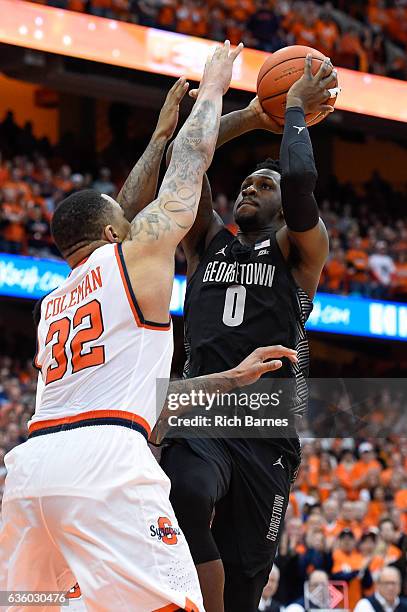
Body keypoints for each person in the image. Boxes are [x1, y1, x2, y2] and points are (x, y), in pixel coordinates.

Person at [0, 41, 243, 612]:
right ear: (116, 234)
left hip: (32, 473)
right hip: (104, 464)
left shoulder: (53, 300)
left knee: (34, 605)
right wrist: (212, 89)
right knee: (173, 605)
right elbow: (192, 163)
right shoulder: (135, 255)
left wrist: (157, 137)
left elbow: (123, 211)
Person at [118, 53, 337, 611]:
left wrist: (292, 112)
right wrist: (246, 117)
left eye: (262, 185)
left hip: (266, 431)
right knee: (186, 491)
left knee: (247, 580)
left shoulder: (298, 249)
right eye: (244, 182)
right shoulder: (207, 242)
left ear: (282, 203)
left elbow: (301, 181)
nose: (248, 189)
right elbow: (181, 166)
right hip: (205, 410)